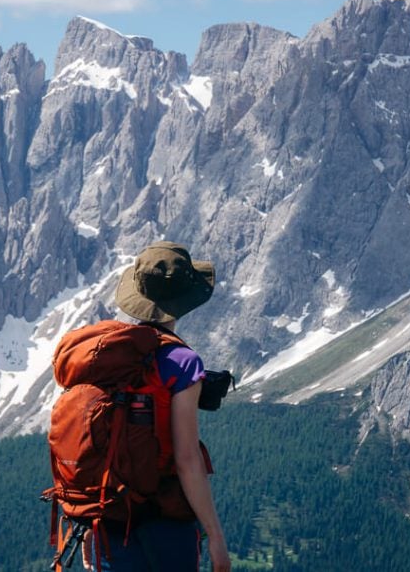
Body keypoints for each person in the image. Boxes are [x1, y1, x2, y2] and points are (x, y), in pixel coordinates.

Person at [84, 241, 231, 572]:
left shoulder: (109, 356)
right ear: (184, 300)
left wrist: (90, 519)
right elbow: (186, 458)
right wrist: (216, 537)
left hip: (110, 519)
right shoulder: (183, 363)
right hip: (166, 524)